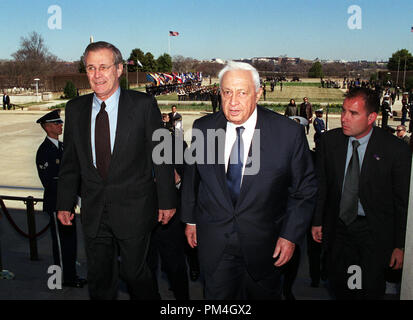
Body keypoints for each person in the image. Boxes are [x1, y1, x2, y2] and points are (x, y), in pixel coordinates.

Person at [181, 61, 317, 300]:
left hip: (266, 246)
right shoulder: (203, 128)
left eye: (242, 92)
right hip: (215, 243)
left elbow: (304, 190)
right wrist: (190, 220)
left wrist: (290, 235)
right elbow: (193, 179)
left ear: (258, 93)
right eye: (227, 92)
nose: (233, 102)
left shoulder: (287, 133)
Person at [56, 41, 176, 300]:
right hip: (94, 209)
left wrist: (167, 200)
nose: (97, 75)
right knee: (100, 280)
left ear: (119, 69)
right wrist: (65, 201)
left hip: (135, 208)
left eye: (103, 67)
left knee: (134, 273)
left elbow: (162, 156)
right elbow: (70, 162)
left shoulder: (143, 105)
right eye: (90, 68)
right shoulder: (75, 109)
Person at [312, 87, 411, 300]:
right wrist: (318, 221)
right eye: (344, 110)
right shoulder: (330, 142)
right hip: (338, 230)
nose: (345, 118)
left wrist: (400, 245)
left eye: (353, 113)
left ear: (371, 118)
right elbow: (323, 186)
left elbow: (401, 202)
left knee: (367, 289)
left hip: (373, 234)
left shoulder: (395, 150)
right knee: (341, 287)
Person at [35, 109, 86, 288]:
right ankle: (63, 279)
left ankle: (71, 274)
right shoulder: (44, 151)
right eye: (57, 123)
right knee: (60, 243)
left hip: (68, 204)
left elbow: (73, 175)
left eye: (60, 122)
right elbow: (50, 182)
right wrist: (69, 197)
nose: (61, 125)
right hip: (57, 204)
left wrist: (77, 197)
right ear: (48, 127)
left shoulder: (63, 147)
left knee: (70, 242)